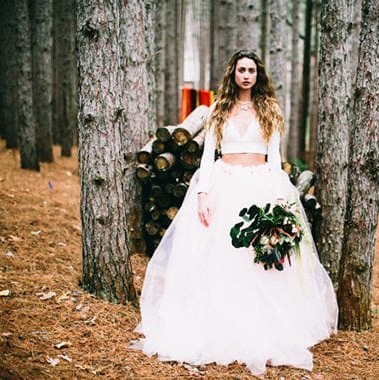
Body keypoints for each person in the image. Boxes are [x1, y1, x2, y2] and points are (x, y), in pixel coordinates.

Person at [131, 50, 338, 376]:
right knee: (221, 257)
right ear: (233, 73)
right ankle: (220, 325)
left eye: (251, 70)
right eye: (241, 69)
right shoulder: (219, 110)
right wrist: (202, 195)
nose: (245, 75)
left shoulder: (269, 109)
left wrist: (278, 203)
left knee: (259, 260)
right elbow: (207, 159)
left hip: (260, 187)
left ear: (258, 75)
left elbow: (274, 158)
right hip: (224, 186)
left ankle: (264, 331)